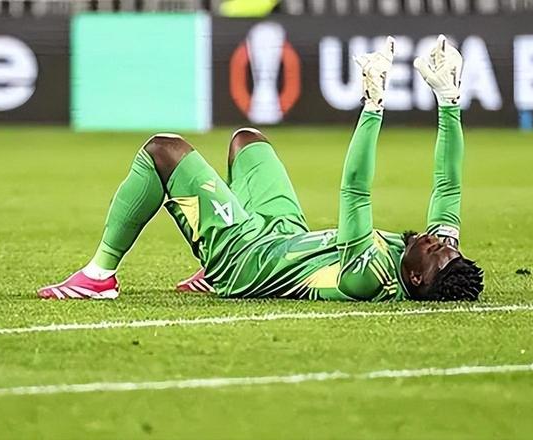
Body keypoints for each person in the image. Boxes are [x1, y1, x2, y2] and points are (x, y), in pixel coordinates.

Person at [38, 35, 483, 302]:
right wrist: (449, 102)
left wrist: (372, 107)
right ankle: (205, 263)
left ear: (415, 278)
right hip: (283, 236)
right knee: (247, 142)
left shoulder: (368, 276)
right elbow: (448, 185)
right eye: (443, 242)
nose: (435, 240)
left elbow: (355, 189)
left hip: (246, 260)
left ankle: (99, 276)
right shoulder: (426, 255)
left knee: (163, 150)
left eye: (435, 249)